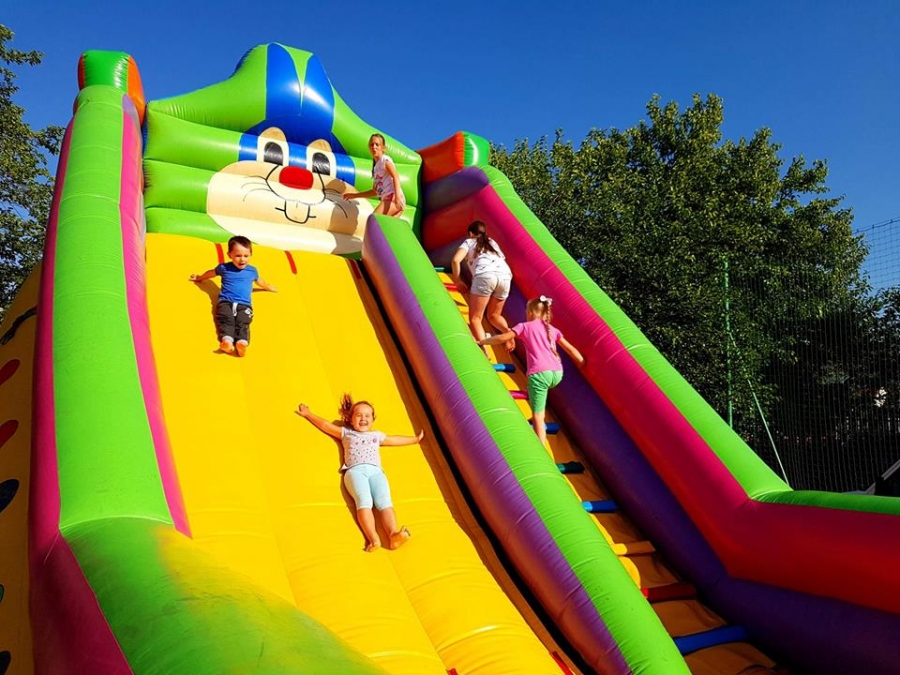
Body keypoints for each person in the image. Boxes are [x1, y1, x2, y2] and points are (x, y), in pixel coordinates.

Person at [296, 394, 423, 552]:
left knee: (385, 501)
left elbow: (394, 440)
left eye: (367, 415)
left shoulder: (376, 436)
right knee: (364, 501)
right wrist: (308, 414)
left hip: (376, 472)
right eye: (359, 415)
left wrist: (414, 439)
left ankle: (393, 535)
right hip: (355, 472)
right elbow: (326, 425)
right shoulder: (346, 433)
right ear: (350, 419)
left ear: (373, 419)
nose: (363, 418)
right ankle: (373, 538)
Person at [480, 296, 585, 446]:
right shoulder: (553, 329)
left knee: (538, 416)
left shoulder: (524, 326)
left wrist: (483, 341)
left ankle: (540, 447)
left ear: (530, 312)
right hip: (557, 372)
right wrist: (581, 361)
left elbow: (503, 338)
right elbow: (570, 349)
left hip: (539, 374)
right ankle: (534, 402)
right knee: (536, 390)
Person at [189, 235, 277, 357]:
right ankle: (227, 342)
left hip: (244, 304)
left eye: (246, 256)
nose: (242, 259)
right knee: (226, 320)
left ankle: (241, 343)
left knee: (243, 322)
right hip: (225, 302)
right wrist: (199, 278)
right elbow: (211, 273)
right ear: (229, 255)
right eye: (238, 256)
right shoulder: (224, 268)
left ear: (250, 255)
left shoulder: (252, 271)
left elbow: (259, 281)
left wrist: (268, 287)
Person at [451, 220, 514, 353]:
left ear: (470, 233)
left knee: (475, 318)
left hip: (486, 275)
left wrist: (457, 280)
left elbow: (456, 260)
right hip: (505, 276)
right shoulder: (492, 242)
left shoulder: (469, 242)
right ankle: (508, 333)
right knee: (494, 315)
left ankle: (484, 350)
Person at [342, 133, 406, 217]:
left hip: (393, 198)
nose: (374, 147)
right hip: (389, 199)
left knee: (374, 219)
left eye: (377, 144)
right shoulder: (376, 169)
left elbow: (395, 176)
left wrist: (397, 198)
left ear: (383, 148)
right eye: (371, 145)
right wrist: (354, 196)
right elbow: (374, 191)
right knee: (381, 224)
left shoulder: (384, 160)